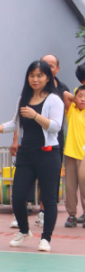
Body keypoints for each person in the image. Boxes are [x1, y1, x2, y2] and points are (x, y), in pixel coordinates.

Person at [0, 60, 63, 252]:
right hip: (26, 154)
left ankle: (46, 238)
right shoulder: (23, 98)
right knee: (17, 197)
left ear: (48, 77)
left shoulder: (54, 100)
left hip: (48, 154)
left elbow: (56, 126)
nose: (35, 79)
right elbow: (14, 123)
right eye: (32, 75)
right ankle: (24, 231)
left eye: (40, 75)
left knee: (49, 198)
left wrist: (35, 115)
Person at [61, 86, 85, 227]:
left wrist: (79, 97)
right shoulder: (72, 111)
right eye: (80, 96)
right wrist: (76, 99)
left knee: (84, 187)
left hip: (84, 156)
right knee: (70, 187)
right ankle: (71, 215)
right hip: (70, 154)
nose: (83, 99)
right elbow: (65, 94)